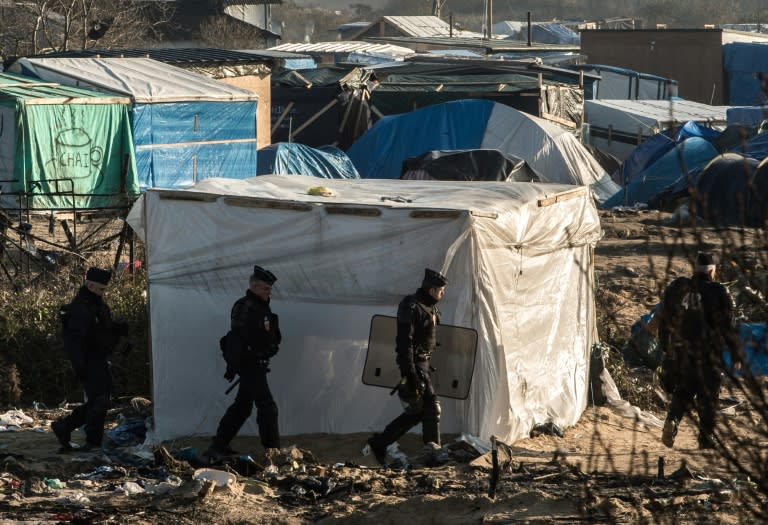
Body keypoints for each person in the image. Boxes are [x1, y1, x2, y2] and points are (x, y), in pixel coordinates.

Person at [657, 252, 742, 449]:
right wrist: (736, 352)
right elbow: (728, 325)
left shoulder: (678, 287)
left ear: (695, 269)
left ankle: (672, 420)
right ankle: (705, 439)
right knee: (709, 396)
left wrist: (665, 346)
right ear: (712, 271)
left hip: (681, 351)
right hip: (708, 352)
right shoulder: (718, 291)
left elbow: (664, 318)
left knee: (684, 390)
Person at [367, 268, 448, 464]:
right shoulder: (411, 306)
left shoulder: (430, 307)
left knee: (417, 412)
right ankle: (433, 454)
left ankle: (380, 442)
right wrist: (410, 373)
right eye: (440, 290)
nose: (442, 294)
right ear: (431, 290)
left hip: (424, 364)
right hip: (415, 364)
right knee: (432, 408)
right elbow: (404, 343)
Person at [205, 265, 282, 460]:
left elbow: (265, 334)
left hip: (258, 364)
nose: (268, 293)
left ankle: (219, 444)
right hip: (251, 365)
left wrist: (270, 346)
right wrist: (259, 350)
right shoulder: (244, 306)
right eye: (265, 289)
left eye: (269, 289)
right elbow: (241, 337)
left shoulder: (262, 306)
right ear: (255, 287)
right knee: (267, 406)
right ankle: (273, 452)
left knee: (242, 406)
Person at [52, 267, 127, 451]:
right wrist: (79, 365)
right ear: (90, 285)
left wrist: (118, 329)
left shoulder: (95, 305)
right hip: (89, 360)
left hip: (99, 358)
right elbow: (74, 341)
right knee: (99, 402)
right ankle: (87, 439)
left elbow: (102, 329)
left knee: (100, 401)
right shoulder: (81, 308)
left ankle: (69, 428)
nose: (102, 292)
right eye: (100, 289)